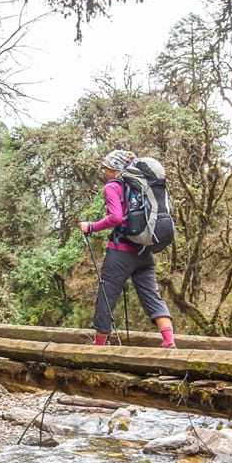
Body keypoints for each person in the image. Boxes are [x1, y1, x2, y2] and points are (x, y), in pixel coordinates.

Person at [78, 149, 176, 348]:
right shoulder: (142, 186)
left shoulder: (112, 187)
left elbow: (115, 217)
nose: (104, 171)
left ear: (115, 170)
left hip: (120, 253)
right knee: (152, 296)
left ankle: (98, 347)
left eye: (106, 167)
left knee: (107, 296)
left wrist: (91, 227)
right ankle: (169, 342)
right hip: (144, 251)